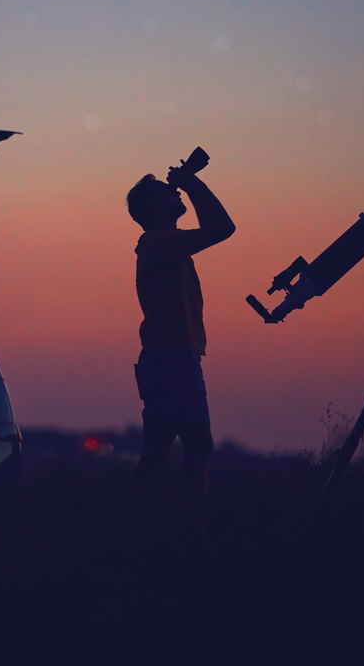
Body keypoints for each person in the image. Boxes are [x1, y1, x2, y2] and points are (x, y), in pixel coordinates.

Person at [125, 162, 235, 534]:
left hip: (162, 358)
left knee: (155, 457)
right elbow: (223, 229)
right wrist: (193, 183)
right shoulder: (162, 243)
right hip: (172, 358)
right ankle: (192, 535)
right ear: (155, 208)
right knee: (200, 448)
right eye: (167, 192)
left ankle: (123, 528)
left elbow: (213, 229)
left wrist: (188, 187)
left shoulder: (161, 245)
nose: (176, 195)